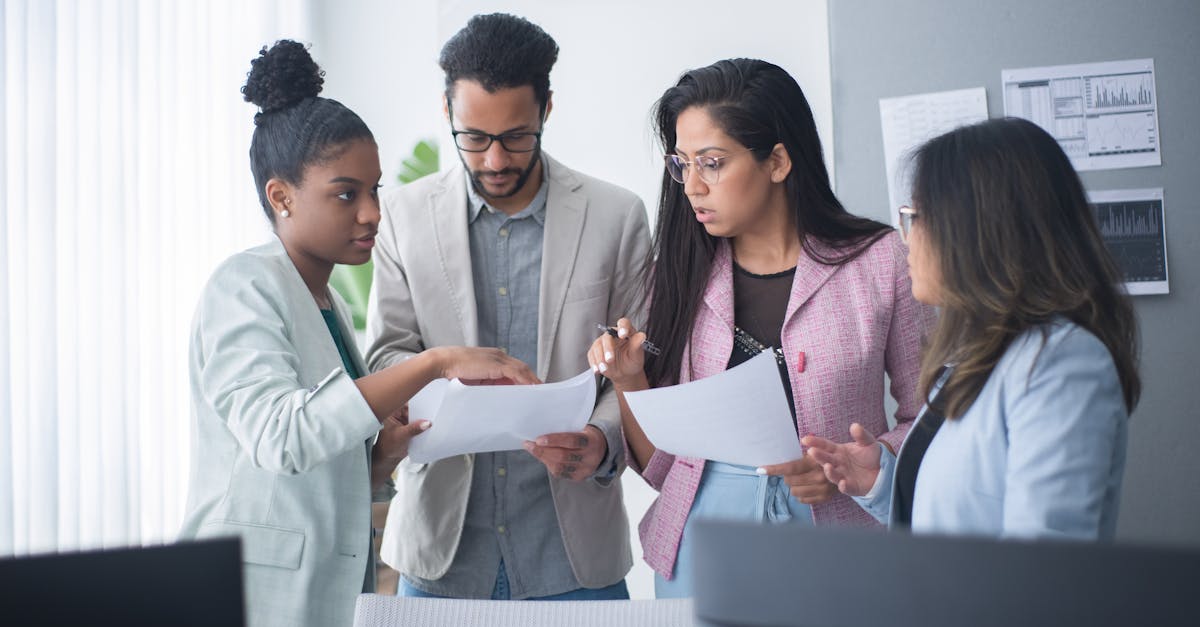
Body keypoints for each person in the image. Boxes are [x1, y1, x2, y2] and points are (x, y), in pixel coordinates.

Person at [177, 41, 538, 627]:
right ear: (281, 196)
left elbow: (318, 460)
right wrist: (437, 361)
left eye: (375, 190)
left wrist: (378, 459)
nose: (372, 212)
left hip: (325, 590)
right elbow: (284, 437)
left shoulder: (325, 301)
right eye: (347, 193)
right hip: (249, 592)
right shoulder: (242, 285)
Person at [588, 58, 934, 598]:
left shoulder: (881, 259)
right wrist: (629, 381)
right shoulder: (677, 273)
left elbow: (932, 418)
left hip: (841, 546)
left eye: (712, 163)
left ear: (776, 161)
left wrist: (867, 467)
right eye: (682, 164)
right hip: (699, 547)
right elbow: (662, 470)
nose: (692, 186)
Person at [366, 14, 650, 600]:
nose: (495, 160)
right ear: (447, 112)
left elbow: (640, 364)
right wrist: (443, 366)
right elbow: (386, 355)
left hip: (574, 556)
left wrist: (600, 440)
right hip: (440, 551)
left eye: (516, 137)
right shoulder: (401, 215)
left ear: (547, 109)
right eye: (474, 137)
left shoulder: (616, 216)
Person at [802, 117, 1141, 539]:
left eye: (915, 217)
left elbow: (1043, 564)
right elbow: (961, 518)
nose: (906, 239)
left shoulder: (1063, 363)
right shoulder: (980, 355)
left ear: (977, 230)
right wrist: (883, 482)